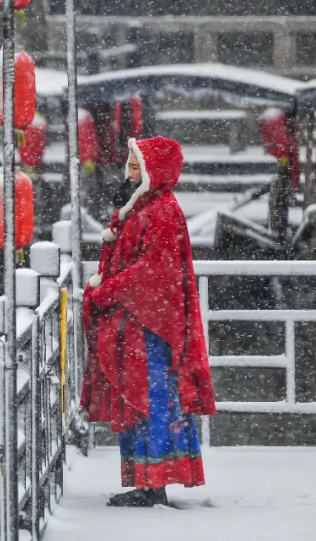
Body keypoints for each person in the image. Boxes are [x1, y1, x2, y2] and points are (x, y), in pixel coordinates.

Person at [81, 136, 217, 508]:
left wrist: (106, 290)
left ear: (155, 171)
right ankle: (147, 479)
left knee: (151, 399)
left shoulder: (161, 211)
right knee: (144, 399)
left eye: (136, 166)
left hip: (149, 328)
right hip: (138, 322)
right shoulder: (143, 207)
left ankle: (152, 482)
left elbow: (152, 272)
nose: (129, 172)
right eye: (129, 165)